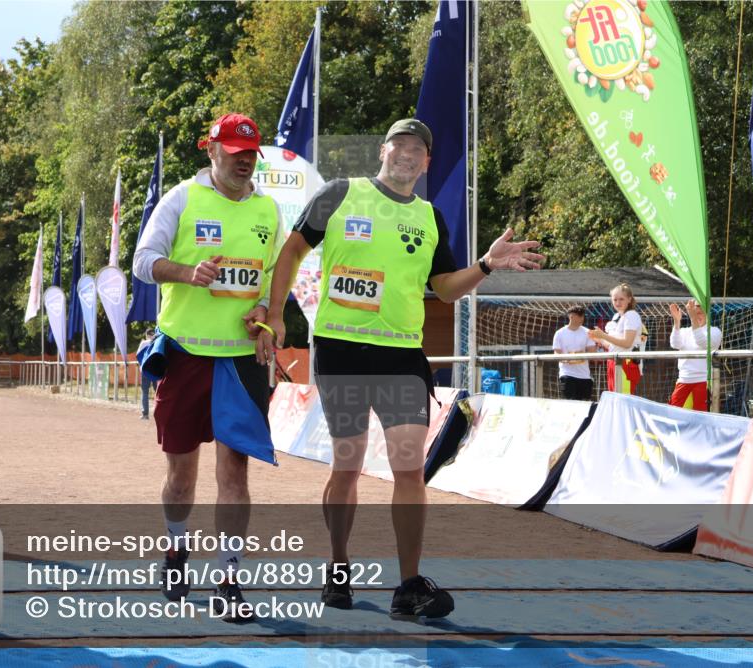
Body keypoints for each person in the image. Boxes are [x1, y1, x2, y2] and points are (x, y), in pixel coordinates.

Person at [258, 118, 544, 619]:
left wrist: (487, 264)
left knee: (409, 468)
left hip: (402, 356)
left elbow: (447, 288)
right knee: (347, 464)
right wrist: (278, 314)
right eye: (401, 144)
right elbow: (292, 251)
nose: (408, 154)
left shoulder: (431, 217)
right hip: (341, 350)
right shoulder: (340, 193)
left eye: (419, 149)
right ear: (384, 151)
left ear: (427, 162)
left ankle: (409, 585)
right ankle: (338, 568)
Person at [132, 112, 282, 623]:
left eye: (250, 153)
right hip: (186, 352)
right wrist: (186, 272)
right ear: (211, 150)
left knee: (235, 472)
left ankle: (229, 578)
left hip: (241, 361)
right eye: (235, 151)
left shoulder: (267, 210)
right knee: (180, 473)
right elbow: (141, 260)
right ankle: (176, 550)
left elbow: (269, 280)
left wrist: (264, 311)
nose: (244, 161)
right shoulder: (182, 199)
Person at [588, 283, 643, 395]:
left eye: (621, 299)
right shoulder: (617, 316)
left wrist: (603, 335)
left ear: (629, 299)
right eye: (615, 300)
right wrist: (599, 339)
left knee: (623, 401)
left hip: (625, 363)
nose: (617, 303)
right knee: (615, 399)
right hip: (614, 361)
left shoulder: (631, 315)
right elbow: (613, 346)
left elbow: (627, 343)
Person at [668, 299, 722, 411]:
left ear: (708, 314)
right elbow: (675, 344)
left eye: (700, 313)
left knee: (701, 415)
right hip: (684, 379)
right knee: (673, 412)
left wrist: (693, 317)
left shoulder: (715, 331)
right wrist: (677, 322)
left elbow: (702, 342)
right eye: (695, 313)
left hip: (703, 380)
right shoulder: (685, 331)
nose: (697, 316)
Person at [553, 305, 596, 400]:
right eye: (579, 315)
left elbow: (592, 352)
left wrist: (580, 356)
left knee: (585, 406)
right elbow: (557, 354)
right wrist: (569, 359)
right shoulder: (559, 333)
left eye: (583, 316)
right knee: (571, 405)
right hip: (567, 374)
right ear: (571, 316)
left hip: (584, 375)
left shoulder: (587, 332)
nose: (581, 318)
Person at [136, 328, 158, 419]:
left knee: (145, 392)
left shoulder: (143, 343)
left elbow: (138, 355)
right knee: (158, 392)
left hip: (145, 370)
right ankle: (159, 413)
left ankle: (145, 414)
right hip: (156, 370)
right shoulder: (157, 342)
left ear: (147, 334)